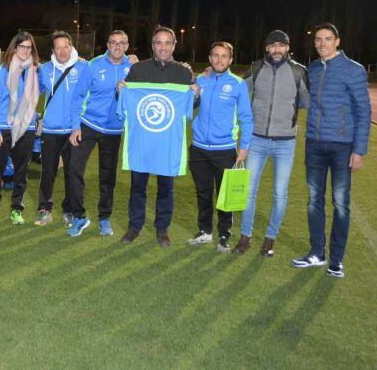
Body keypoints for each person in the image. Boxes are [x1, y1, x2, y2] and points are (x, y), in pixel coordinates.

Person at [291, 22, 371, 279]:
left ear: (337, 41)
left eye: (327, 39)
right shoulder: (312, 69)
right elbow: (303, 101)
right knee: (314, 199)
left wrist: (359, 150)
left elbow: (363, 111)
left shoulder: (353, 70)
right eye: (318, 39)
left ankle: (336, 260)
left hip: (342, 146)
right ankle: (317, 252)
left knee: (340, 203)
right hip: (314, 143)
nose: (322, 43)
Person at [233, 30, 309, 256]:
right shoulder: (256, 68)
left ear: (288, 48)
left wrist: (286, 114)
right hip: (256, 140)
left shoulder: (299, 71)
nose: (277, 49)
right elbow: (239, 90)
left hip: (285, 143)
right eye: (273, 45)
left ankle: (270, 239)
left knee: (280, 194)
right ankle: (245, 237)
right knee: (249, 192)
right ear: (266, 48)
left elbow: (305, 100)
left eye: (281, 45)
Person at [120, 26, 194, 246]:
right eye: (158, 43)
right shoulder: (138, 70)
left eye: (167, 43)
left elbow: (188, 109)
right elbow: (127, 102)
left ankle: (162, 229)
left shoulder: (183, 73)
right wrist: (121, 90)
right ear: (153, 45)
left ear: (174, 45)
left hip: (167, 142)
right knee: (138, 186)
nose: (163, 47)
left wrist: (195, 94)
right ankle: (135, 226)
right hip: (143, 141)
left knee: (166, 188)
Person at [67, 30, 136, 237]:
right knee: (73, 168)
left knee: (108, 177)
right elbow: (77, 96)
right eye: (113, 42)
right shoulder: (94, 65)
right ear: (107, 44)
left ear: (127, 46)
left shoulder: (133, 67)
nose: (117, 46)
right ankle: (80, 216)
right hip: (88, 124)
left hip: (114, 130)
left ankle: (104, 218)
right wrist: (75, 126)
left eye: (121, 43)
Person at [186, 42, 253, 253]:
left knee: (224, 196)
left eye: (224, 56)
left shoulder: (238, 84)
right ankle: (205, 231)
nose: (219, 60)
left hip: (224, 149)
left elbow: (246, 118)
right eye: (215, 55)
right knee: (203, 193)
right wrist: (193, 94)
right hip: (198, 148)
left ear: (230, 60)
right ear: (210, 57)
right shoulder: (201, 81)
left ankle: (224, 235)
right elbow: (188, 110)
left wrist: (244, 146)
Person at [34, 31, 88, 227]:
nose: (62, 51)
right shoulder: (45, 69)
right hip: (50, 131)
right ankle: (44, 209)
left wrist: (129, 60)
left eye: (66, 46)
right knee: (48, 172)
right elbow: (33, 90)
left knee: (71, 173)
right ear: (53, 51)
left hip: (74, 131)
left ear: (72, 47)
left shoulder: (83, 67)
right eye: (58, 47)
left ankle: (69, 210)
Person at [0, 32, 40, 225]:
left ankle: (17, 209)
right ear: (14, 48)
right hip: (4, 127)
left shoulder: (35, 71)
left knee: (21, 172)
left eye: (29, 47)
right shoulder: (3, 70)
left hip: (27, 128)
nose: (25, 50)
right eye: (22, 47)